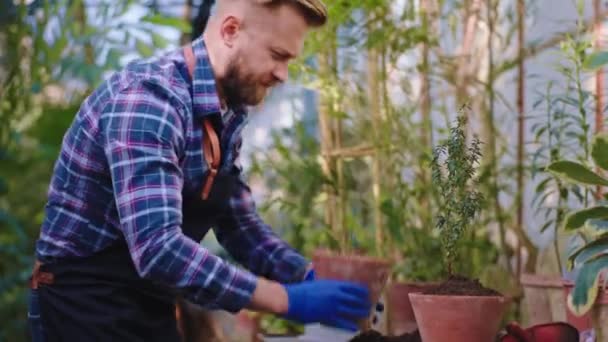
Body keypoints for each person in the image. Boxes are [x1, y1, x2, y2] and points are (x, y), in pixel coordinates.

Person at [27, 0, 374, 341]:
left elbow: (237, 222)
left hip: (146, 305)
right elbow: (158, 248)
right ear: (230, 31)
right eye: (278, 55)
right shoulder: (149, 101)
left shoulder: (227, 109)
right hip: (82, 309)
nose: (283, 75)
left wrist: (303, 275)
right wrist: (283, 299)